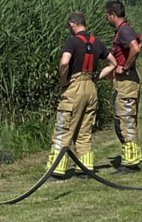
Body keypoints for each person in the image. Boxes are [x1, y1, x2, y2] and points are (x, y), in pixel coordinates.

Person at [47, 11, 118, 179]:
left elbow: (64, 62)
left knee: (64, 129)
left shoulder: (72, 42)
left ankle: (55, 170)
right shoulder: (97, 42)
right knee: (84, 132)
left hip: (75, 88)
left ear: (72, 24)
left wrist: (64, 81)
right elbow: (113, 63)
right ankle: (85, 169)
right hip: (90, 89)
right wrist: (96, 78)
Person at [105, 1, 142, 174]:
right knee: (122, 121)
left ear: (113, 15)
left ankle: (130, 163)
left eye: (107, 15)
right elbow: (140, 40)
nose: (106, 18)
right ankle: (130, 159)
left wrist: (126, 67)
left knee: (125, 121)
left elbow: (135, 48)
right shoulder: (126, 30)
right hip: (124, 83)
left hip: (126, 82)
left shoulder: (124, 31)